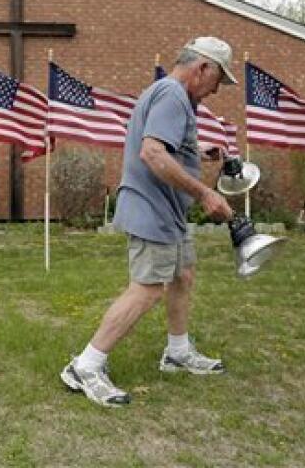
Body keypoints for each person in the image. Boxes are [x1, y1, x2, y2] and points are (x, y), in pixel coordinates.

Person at [60, 36, 237, 407]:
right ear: (202, 67)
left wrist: (196, 150)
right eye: (218, 79)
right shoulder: (172, 94)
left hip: (168, 211)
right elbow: (152, 152)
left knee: (181, 275)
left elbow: (159, 141)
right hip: (152, 208)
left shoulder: (171, 96)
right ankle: (85, 366)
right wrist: (205, 193)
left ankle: (177, 352)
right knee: (148, 288)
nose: (217, 89)